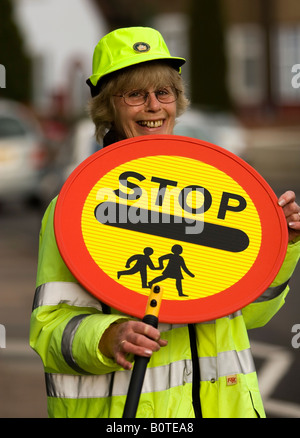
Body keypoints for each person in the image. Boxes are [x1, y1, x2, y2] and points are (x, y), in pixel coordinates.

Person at [30, 26, 300, 418]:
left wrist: (283, 244)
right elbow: (49, 330)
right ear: (109, 107)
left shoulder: (212, 196)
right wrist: (107, 337)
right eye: (136, 94)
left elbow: (250, 313)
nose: (154, 106)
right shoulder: (77, 205)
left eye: (164, 92)